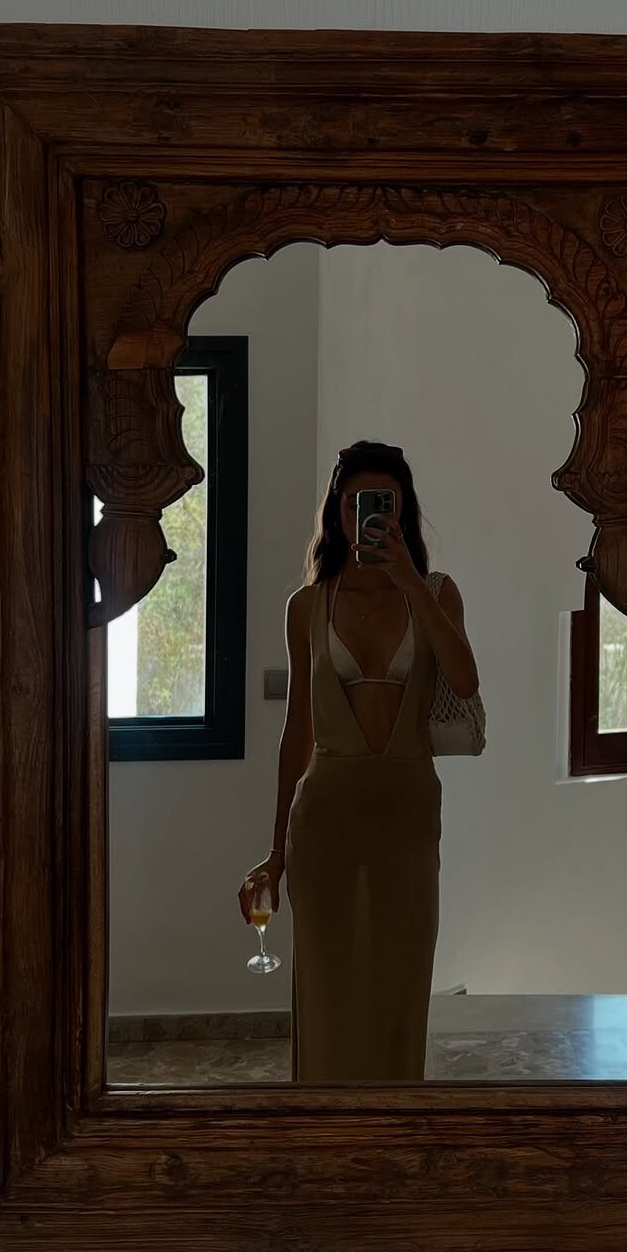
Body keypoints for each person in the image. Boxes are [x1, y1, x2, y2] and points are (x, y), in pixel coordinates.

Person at [238, 441, 480, 1082]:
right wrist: (275, 855)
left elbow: (464, 679)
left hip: (408, 817)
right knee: (326, 993)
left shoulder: (437, 592)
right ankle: (323, 1129)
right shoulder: (307, 606)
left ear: (403, 513)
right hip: (324, 819)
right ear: (337, 513)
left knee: (401, 988)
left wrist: (409, 582)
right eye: (355, 505)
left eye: (384, 505)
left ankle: (394, 1129)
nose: (368, 517)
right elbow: (297, 731)